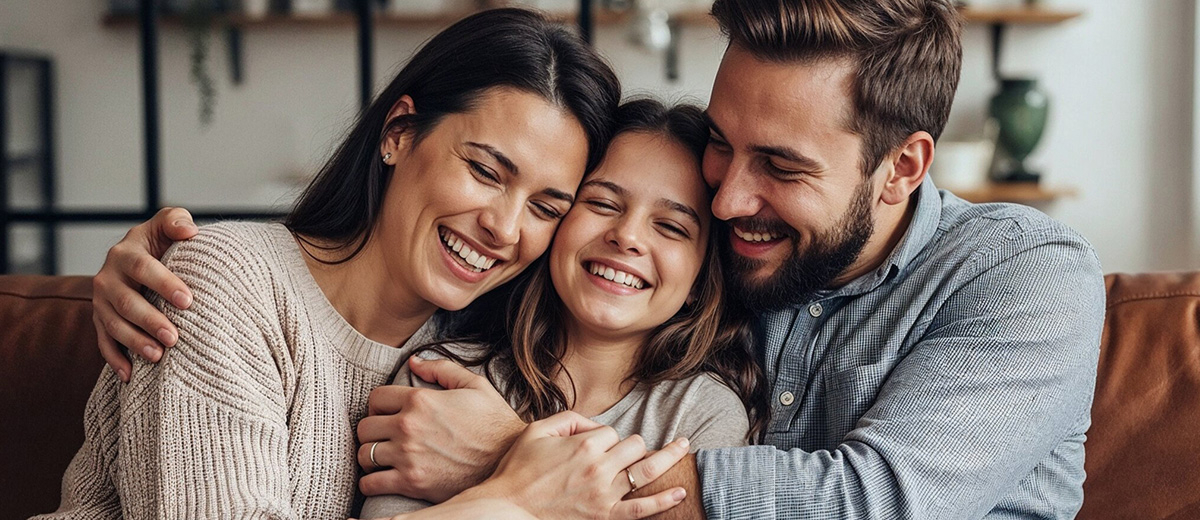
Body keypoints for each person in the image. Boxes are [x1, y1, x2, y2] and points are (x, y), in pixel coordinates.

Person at [93, 0, 1108, 518]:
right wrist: (184, 264)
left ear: (903, 167)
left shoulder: (1021, 277)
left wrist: (517, 463)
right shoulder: (475, 330)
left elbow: (871, 499)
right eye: (724, 142)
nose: (728, 195)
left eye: (781, 166)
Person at [37, 8, 689, 519]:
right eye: (486, 171)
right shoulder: (228, 283)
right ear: (399, 133)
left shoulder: (477, 361)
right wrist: (511, 502)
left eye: (547, 208)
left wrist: (510, 459)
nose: (504, 228)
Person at [359, 99, 768, 518]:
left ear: (700, 281)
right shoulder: (444, 376)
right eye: (603, 203)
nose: (626, 236)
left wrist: (499, 481)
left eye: (671, 227)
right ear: (555, 220)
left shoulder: (702, 413)